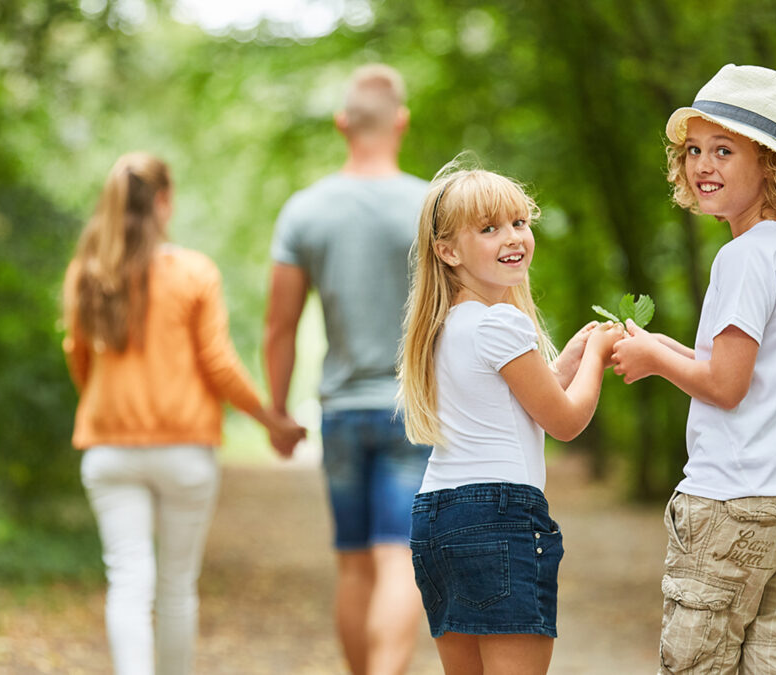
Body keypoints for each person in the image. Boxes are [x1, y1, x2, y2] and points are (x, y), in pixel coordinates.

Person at [612, 64, 776, 674]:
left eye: (724, 150)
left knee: (700, 660)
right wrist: (666, 347)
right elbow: (752, 374)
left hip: (738, 498)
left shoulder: (742, 257)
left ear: (769, 164)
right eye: (693, 150)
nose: (702, 165)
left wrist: (655, 361)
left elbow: (726, 387)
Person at [63, 152, 304, 675]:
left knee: (128, 581)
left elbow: (78, 359)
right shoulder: (194, 272)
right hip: (184, 452)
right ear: (164, 201)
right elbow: (218, 363)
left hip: (109, 450)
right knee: (176, 587)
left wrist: (106, 407)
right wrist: (270, 420)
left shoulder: (89, 273)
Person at [398, 163, 622, 675]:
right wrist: (598, 356)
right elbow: (565, 421)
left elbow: (517, 401)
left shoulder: (446, 325)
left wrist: (571, 359)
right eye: (489, 228)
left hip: (437, 517)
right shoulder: (500, 322)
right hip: (497, 516)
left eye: (520, 222)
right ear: (448, 251)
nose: (513, 237)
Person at [263, 63, 431, 675]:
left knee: (354, 565)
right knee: (398, 559)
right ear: (401, 122)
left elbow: (279, 325)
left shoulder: (305, 210)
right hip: (413, 411)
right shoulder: (431, 207)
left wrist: (278, 413)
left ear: (342, 124)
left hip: (341, 414)